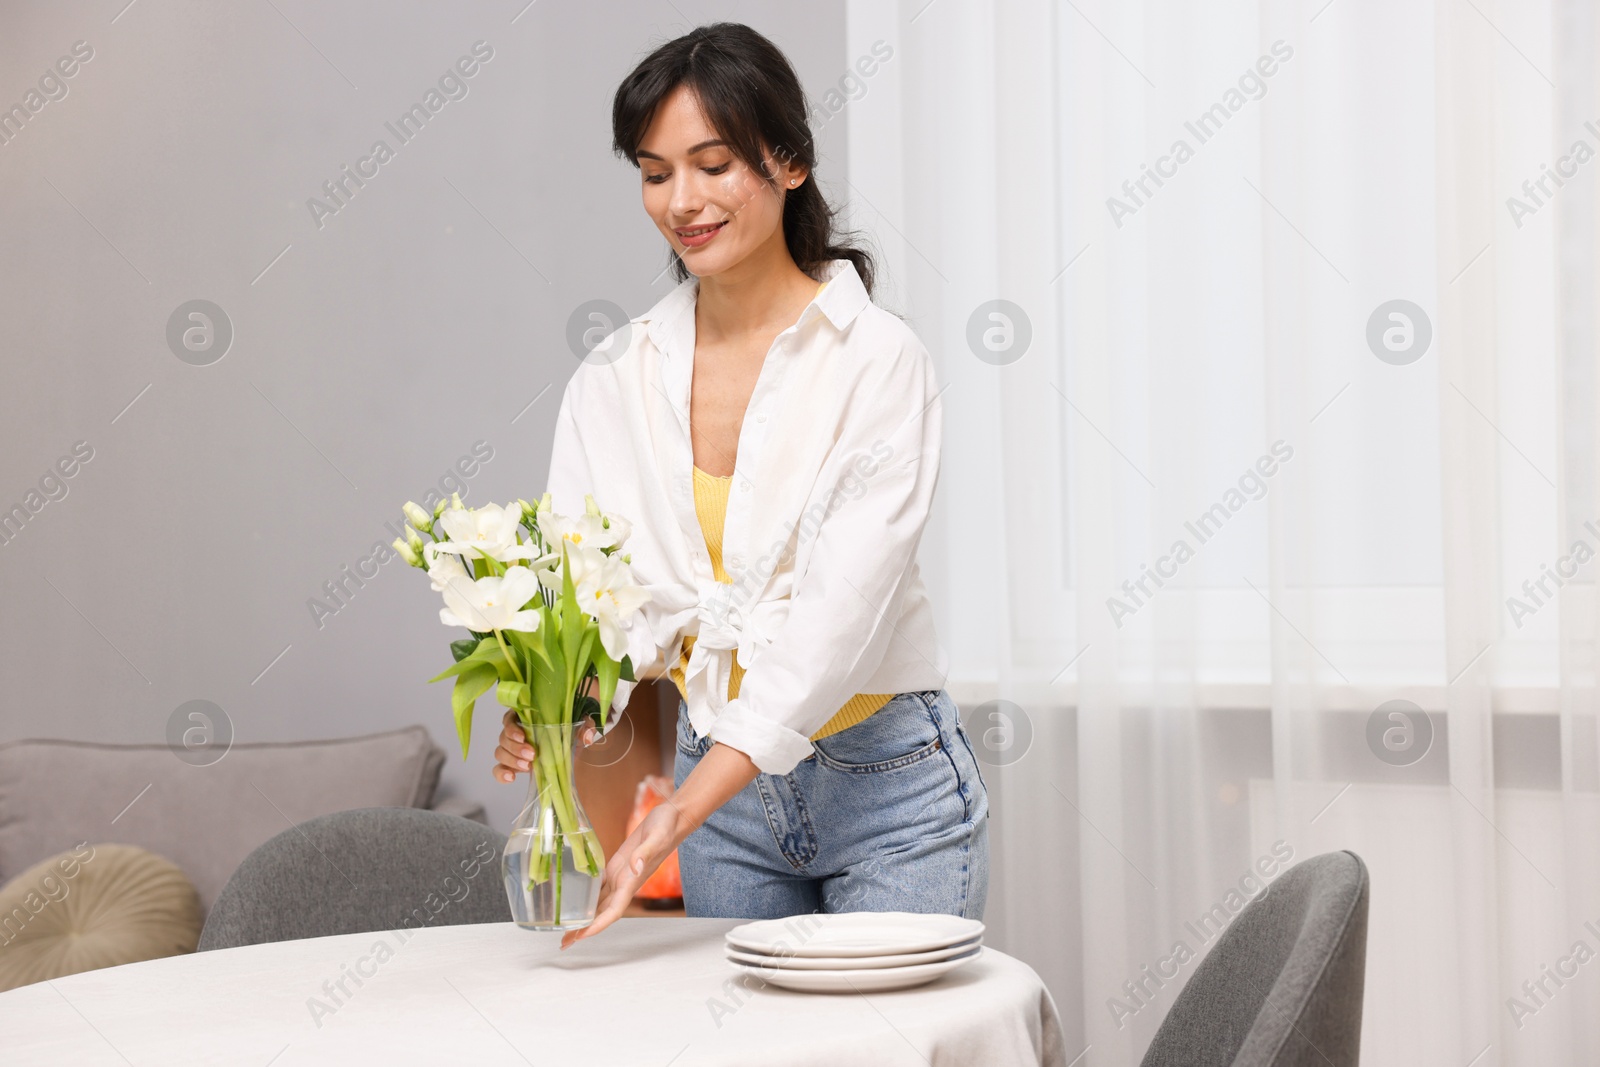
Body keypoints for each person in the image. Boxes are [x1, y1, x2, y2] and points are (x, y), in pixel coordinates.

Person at [490, 22, 988, 949]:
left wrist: (678, 810)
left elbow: (833, 629)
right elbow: (601, 598)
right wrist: (560, 700)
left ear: (788, 161)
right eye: (654, 171)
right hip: (724, 806)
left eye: (713, 164)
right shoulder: (614, 377)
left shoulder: (877, 364)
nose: (683, 200)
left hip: (884, 787)